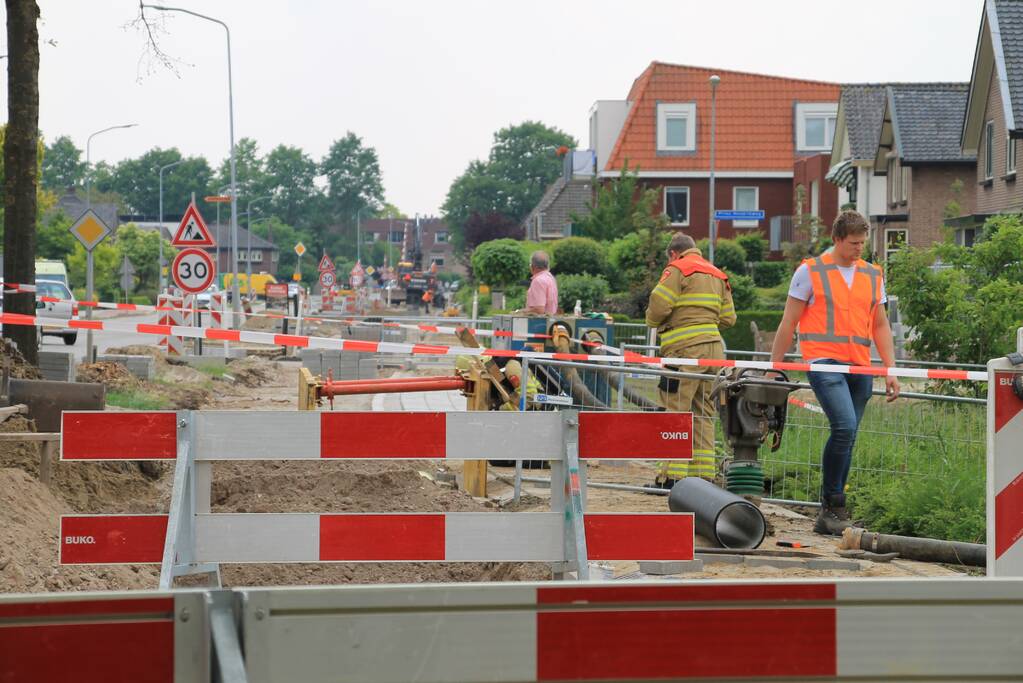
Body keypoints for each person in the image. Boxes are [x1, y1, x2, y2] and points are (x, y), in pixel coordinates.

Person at [770, 209, 900, 535]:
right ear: (837, 239)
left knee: (850, 434)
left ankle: (831, 513)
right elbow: (788, 322)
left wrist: (890, 368)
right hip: (823, 361)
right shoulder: (809, 272)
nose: (859, 248)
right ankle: (834, 503)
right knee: (843, 427)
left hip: (860, 364)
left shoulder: (873, 274)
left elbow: (881, 324)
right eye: (854, 243)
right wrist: (775, 368)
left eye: (863, 243)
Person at [646, 232, 736, 486]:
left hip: (684, 351)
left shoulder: (677, 269)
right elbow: (729, 318)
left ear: (674, 254)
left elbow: (658, 306)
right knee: (704, 413)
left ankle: (671, 476)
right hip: (714, 352)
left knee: (675, 411)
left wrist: (654, 322)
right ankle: (702, 477)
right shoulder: (718, 274)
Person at [525, 250, 558, 315]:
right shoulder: (551, 278)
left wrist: (519, 312)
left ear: (532, 266)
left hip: (538, 323)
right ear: (548, 266)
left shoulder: (538, 281)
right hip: (551, 321)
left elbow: (539, 310)